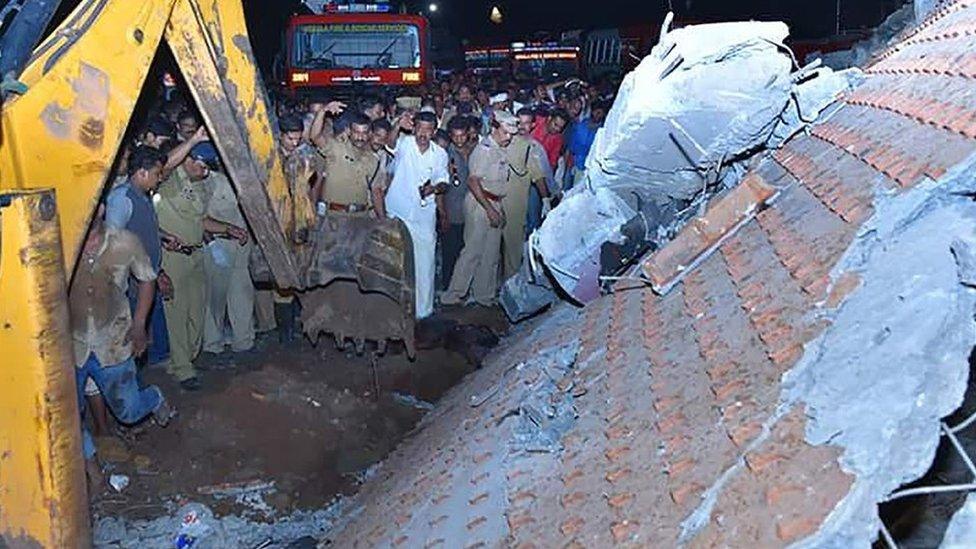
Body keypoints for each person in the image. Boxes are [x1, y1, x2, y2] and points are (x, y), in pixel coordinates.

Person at [71, 203, 174, 488]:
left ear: (101, 208)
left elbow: (147, 280)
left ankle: (153, 397)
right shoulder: (62, 241)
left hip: (113, 341)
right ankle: (92, 470)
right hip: (71, 345)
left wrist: (139, 324)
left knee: (127, 412)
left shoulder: (125, 242)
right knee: (67, 419)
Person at [156, 143, 246, 389]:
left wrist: (228, 229)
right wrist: (194, 138)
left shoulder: (203, 184)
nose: (206, 172)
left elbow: (202, 220)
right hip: (172, 256)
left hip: (196, 253)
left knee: (197, 311)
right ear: (189, 160)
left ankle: (190, 358)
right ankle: (183, 369)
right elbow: (164, 163)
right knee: (177, 313)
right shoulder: (169, 180)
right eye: (203, 166)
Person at [441, 111, 519, 307]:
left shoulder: (500, 148)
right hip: (480, 203)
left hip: (494, 202)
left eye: (511, 133)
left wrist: (498, 208)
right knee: (473, 251)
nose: (509, 136)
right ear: (494, 128)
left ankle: (484, 295)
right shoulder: (484, 150)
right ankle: (454, 294)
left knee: (491, 254)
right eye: (505, 132)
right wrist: (489, 209)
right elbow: (473, 181)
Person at [105, 146, 172, 367]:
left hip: (149, 274)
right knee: (134, 328)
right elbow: (114, 241)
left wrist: (163, 236)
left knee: (149, 321)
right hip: (134, 280)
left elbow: (142, 228)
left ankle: (155, 360)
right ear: (141, 172)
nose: (159, 178)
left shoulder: (143, 196)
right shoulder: (121, 199)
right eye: (156, 173)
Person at [385, 110, 450, 319]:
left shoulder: (440, 153)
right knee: (394, 260)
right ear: (413, 128)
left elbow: (443, 181)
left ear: (434, 131)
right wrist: (396, 125)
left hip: (424, 214)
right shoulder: (405, 144)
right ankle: (394, 309)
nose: (423, 133)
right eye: (419, 128)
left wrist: (433, 189)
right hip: (398, 211)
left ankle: (423, 312)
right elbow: (390, 143)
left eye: (428, 130)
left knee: (425, 261)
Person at [202, 150, 254, 355]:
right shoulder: (208, 182)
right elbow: (199, 219)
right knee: (215, 298)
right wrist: (212, 246)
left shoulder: (247, 181)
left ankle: (244, 341)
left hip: (242, 244)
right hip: (218, 244)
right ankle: (212, 345)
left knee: (242, 293)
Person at [502, 114, 550, 279]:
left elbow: (541, 175)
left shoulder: (534, 147)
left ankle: (516, 280)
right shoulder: (503, 140)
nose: (522, 127)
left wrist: (546, 199)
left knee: (520, 243)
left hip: (523, 200)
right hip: (499, 200)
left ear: (533, 125)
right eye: (519, 122)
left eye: (526, 123)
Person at [312, 111, 383, 218]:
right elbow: (315, 136)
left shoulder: (373, 160)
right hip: (333, 216)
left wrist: (383, 219)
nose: (360, 137)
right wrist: (323, 111)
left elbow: (376, 191)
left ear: (369, 134)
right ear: (349, 131)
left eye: (364, 133)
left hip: (360, 217)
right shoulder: (336, 148)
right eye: (356, 132)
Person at [438, 117, 473, 290]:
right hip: (452, 211)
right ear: (451, 136)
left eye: (462, 136)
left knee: (467, 252)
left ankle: (463, 288)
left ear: (468, 134)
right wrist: (443, 214)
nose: (459, 139)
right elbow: (440, 188)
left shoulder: (475, 151)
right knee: (450, 253)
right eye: (455, 136)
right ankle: (447, 288)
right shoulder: (445, 154)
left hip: (471, 212)